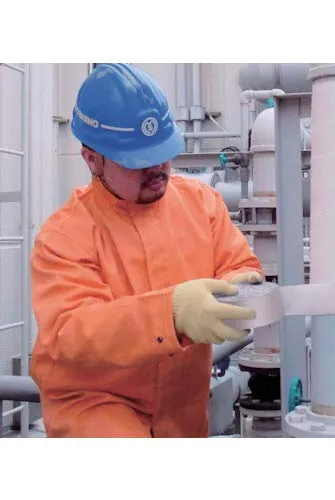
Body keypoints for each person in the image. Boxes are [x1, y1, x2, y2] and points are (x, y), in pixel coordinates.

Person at [29, 63, 264, 438]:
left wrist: (241, 286)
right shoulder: (65, 236)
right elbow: (71, 330)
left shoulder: (201, 203)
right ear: (92, 159)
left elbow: (236, 263)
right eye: (137, 161)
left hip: (183, 410)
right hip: (96, 405)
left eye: (163, 153)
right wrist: (170, 314)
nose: (157, 168)